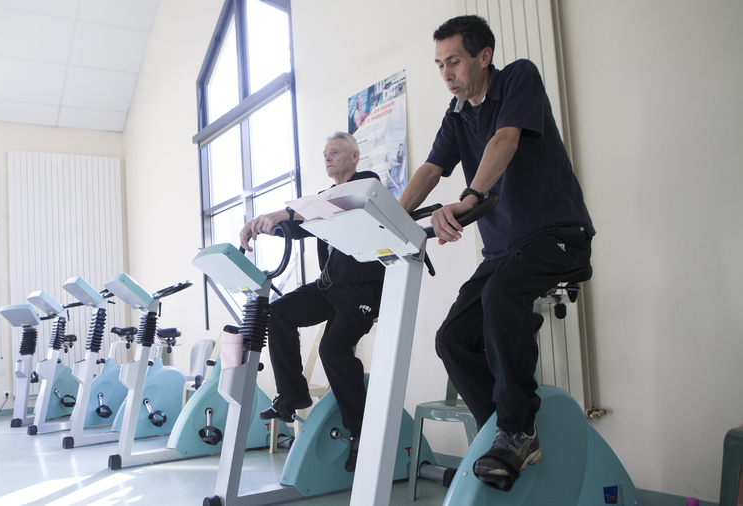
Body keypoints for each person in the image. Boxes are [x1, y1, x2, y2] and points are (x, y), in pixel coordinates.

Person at [398, 15, 595, 490]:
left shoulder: (518, 79)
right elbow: (430, 169)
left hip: (557, 236)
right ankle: (500, 433)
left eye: (455, 61)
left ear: (483, 57)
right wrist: (391, 221)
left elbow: (505, 140)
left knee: (501, 295)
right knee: (452, 338)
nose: (447, 73)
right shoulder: (457, 112)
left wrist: (469, 198)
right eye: (440, 64)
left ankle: (518, 428)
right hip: (505, 250)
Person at [240, 132, 385, 473]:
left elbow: (331, 206)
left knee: (332, 350)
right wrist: (263, 225)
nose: (328, 158)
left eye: (334, 152)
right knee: (278, 313)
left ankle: (362, 433)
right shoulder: (324, 199)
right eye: (324, 154)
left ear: (354, 156)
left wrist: (282, 213)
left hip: (363, 290)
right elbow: (301, 224)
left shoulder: (366, 184)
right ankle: (293, 395)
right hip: (330, 287)